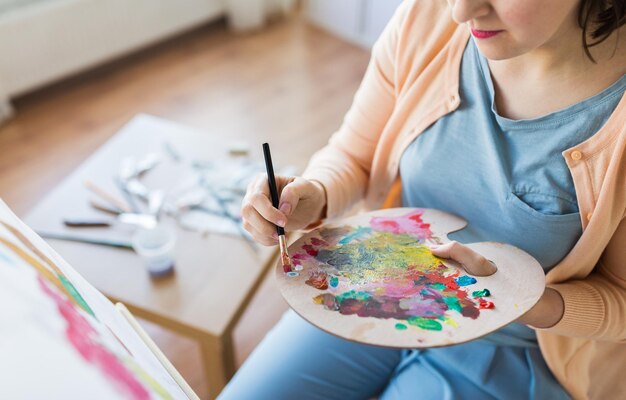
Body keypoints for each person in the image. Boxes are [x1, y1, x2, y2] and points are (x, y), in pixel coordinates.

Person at [221, 0, 626, 398]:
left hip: (509, 350)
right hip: (372, 285)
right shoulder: (425, 18)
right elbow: (353, 153)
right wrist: (315, 193)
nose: (460, 12)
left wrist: (521, 299)